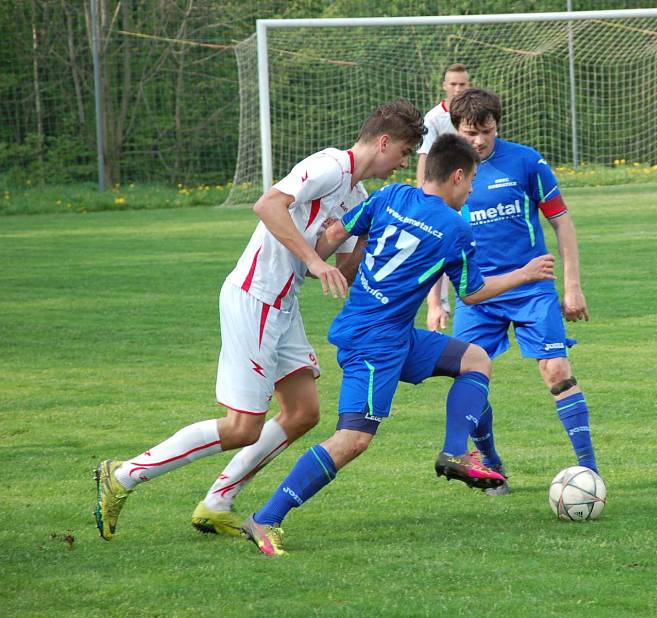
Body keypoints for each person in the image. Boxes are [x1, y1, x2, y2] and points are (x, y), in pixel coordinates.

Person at [93, 100, 425, 541]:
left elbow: (327, 270)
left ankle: (217, 504)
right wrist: (315, 259)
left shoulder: (358, 197)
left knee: (304, 412)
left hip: (283, 307)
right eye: (403, 152)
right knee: (242, 427)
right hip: (254, 298)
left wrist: (366, 236)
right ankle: (124, 474)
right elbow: (268, 205)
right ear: (383, 142)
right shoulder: (328, 166)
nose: (403, 163)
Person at [240, 133, 556, 556]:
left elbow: (334, 235)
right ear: (457, 176)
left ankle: (459, 452)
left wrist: (318, 265)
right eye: (471, 182)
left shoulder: (390, 196)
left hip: (391, 333)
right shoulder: (454, 228)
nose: (472, 191)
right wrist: (526, 273)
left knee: (475, 359)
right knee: (353, 439)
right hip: (375, 342)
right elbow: (474, 293)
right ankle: (266, 518)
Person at [426, 88, 600, 496]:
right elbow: (438, 238)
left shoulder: (526, 162)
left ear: (496, 125)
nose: (479, 141)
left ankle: (590, 472)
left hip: (532, 287)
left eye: (486, 131)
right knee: (470, 376)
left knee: (557, 370)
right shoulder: (450, 173)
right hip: (479, 293)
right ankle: (492, 464)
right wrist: (436, 302)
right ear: (456, 129)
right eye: (470, 132)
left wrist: (572, 287)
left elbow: (562, 223)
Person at [415, 63, 471, 324]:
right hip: (443, 192)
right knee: (439, 243)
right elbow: (425, 157)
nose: (458, 89)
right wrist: (423, 194)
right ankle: (437, 303)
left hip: (469, 191)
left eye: (463, 84)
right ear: (444, 86)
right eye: (453, 84)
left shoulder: (475, 115)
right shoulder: (434, 118)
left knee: (466, 243)